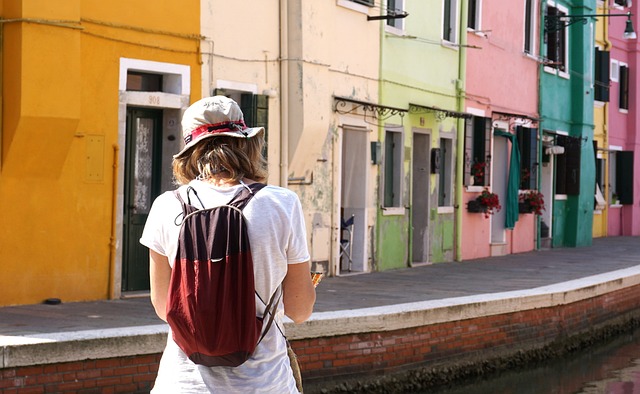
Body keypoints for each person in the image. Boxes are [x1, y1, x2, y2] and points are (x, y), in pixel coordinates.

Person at [140, 95, 316, 393]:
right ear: (245, 143)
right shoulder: (281, 203)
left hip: (182, 383)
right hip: (263, 383)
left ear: (189, 151)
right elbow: (299, 310)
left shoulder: (166, 205)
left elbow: (164, 307)